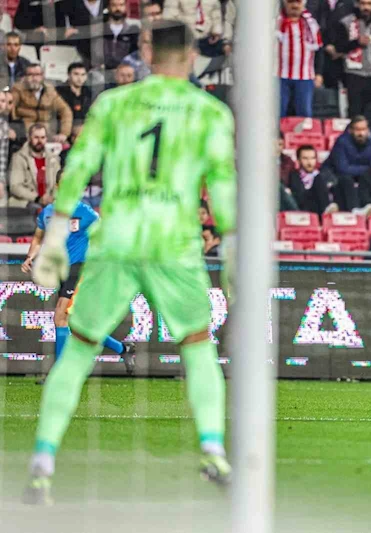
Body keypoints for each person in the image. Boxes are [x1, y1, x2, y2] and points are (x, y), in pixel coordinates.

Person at [22, 20, 236, 505]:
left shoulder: (113, 104)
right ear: (193, 56)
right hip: (175, 244)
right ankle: (212, 448)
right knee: (198, 345)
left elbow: (75, 169)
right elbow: (222, 188)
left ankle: (42, 459)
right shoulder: (209, 112)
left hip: (115, 239)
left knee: (77, 348)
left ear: (145, 50)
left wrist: (55, 236)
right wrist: (234, 242)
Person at [22, 194, 134, 376]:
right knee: (75, 325)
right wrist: (30, 256)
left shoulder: (85, 211)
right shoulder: (48, 212)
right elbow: (37, 238)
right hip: (61, 269)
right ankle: (122, 348)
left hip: (80, 268)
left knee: (60, 315)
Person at [332, 0, 371, 117]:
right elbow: (339, 47)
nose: (366, 7)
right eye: (363, 3)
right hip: (353, 73)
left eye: (369, 3)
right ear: (357, 4)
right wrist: (356, 43)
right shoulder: (345, 22)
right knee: (355, 111)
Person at [277, 0, 323, 118]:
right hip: (279, 75)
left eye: (298, 2)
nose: (295, 6)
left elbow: (318, 50)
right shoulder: (276, 23)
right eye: (291, 2)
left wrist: (318, 73)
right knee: (278, 111)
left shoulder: (311, 24)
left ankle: (304, 136)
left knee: (304, 112)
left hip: (305, 76)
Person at [12, 64, 73, 143]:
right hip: (25, 133)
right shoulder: (17, 89)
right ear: (25, 77)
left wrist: (64, 133)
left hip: (47, 133)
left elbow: (65, 111)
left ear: (43, 76)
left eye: (37, 75)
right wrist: (15, 129)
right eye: (30, 75)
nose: (34, 78)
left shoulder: (50, 90)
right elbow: (10, 109)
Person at [9, 124, 61, 209]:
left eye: (43, 137)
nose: (40, 141)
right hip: (26, 202)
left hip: (49, 201)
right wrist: (38, 198)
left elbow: (58, 183)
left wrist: (53, 198)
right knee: (38, 210)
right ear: (29, 138)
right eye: (36, 137)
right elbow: (15, 187)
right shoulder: (18, 157)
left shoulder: (53, 159)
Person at [324, 115, 371, 186]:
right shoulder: (342, 142)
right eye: (357, 129)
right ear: (350, 130)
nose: (361, 133)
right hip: (335, 174)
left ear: (368, 130)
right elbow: (342, 169)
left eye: (364, 129)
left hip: (359, 176)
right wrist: (368, 169)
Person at [288, 145, 339, 215]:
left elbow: (334, 184)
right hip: (307, 207)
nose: (309, 162)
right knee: (318, 179)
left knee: (344, 180)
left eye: (312, 158)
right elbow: (299, 196)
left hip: (328, 202)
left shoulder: (324, 173)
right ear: (298, 160)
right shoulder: (294, 176)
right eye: (305, 158)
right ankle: (326, 211)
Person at [95, 0, 140, 71]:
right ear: (108, 7)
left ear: (126, 7)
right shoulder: (99, 29)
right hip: (103, 72)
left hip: (126, 73)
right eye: (114, 5)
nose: (117, 8)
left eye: (121, 5)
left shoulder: (133, 29)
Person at [56, 63, 93, 142]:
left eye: (83, 75)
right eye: (76, 74)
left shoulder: (88, 92)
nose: (80, 78)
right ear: (69, 75)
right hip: (64, 130)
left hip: (85, 130)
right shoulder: (59, 92)